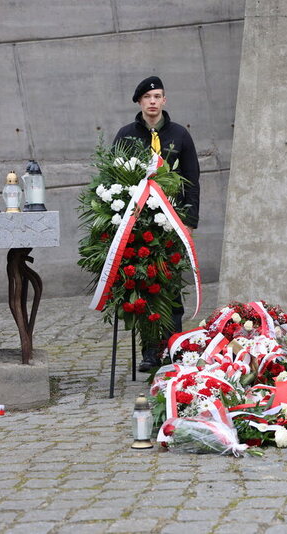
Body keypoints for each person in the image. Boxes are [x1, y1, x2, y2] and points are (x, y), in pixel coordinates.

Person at [114, 75, 201, 371]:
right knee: (145, 285)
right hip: (137, 227)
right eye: (147, 97)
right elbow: (113, 180)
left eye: (158, 97)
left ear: (164, 101)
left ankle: (173, 346)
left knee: (171, 285)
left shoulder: (180, 135)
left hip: (172, 225)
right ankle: (151, 352)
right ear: (140, 102)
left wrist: (189, 221)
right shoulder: (126, 135)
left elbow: (192, 180)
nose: (153, 102)